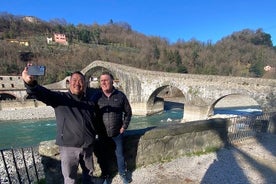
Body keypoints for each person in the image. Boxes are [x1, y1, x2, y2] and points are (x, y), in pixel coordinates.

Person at [22, 66, 97, 184]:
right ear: (69, 83)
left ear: (85, 84)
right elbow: (41, 93)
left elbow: (94, 121)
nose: (77, 83)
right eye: (74, 81)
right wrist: (30, 83)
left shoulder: (90, 102)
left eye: (81, 81)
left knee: (89, 175)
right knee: (70, 178)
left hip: (87, 146)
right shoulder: (60, 98)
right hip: (69, 147)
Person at [93, 72, 132, 184]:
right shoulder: (96, 97)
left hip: (117, 133)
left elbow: (128, 113)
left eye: (106, 80)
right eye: (101, 81)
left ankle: (122, 174)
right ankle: (106, 175)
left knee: (120, 156)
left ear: (112, 81)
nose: (104, 82)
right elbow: (89, 113)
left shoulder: (120, 96)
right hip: (102, 134)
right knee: (103, 156)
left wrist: (124, 126)